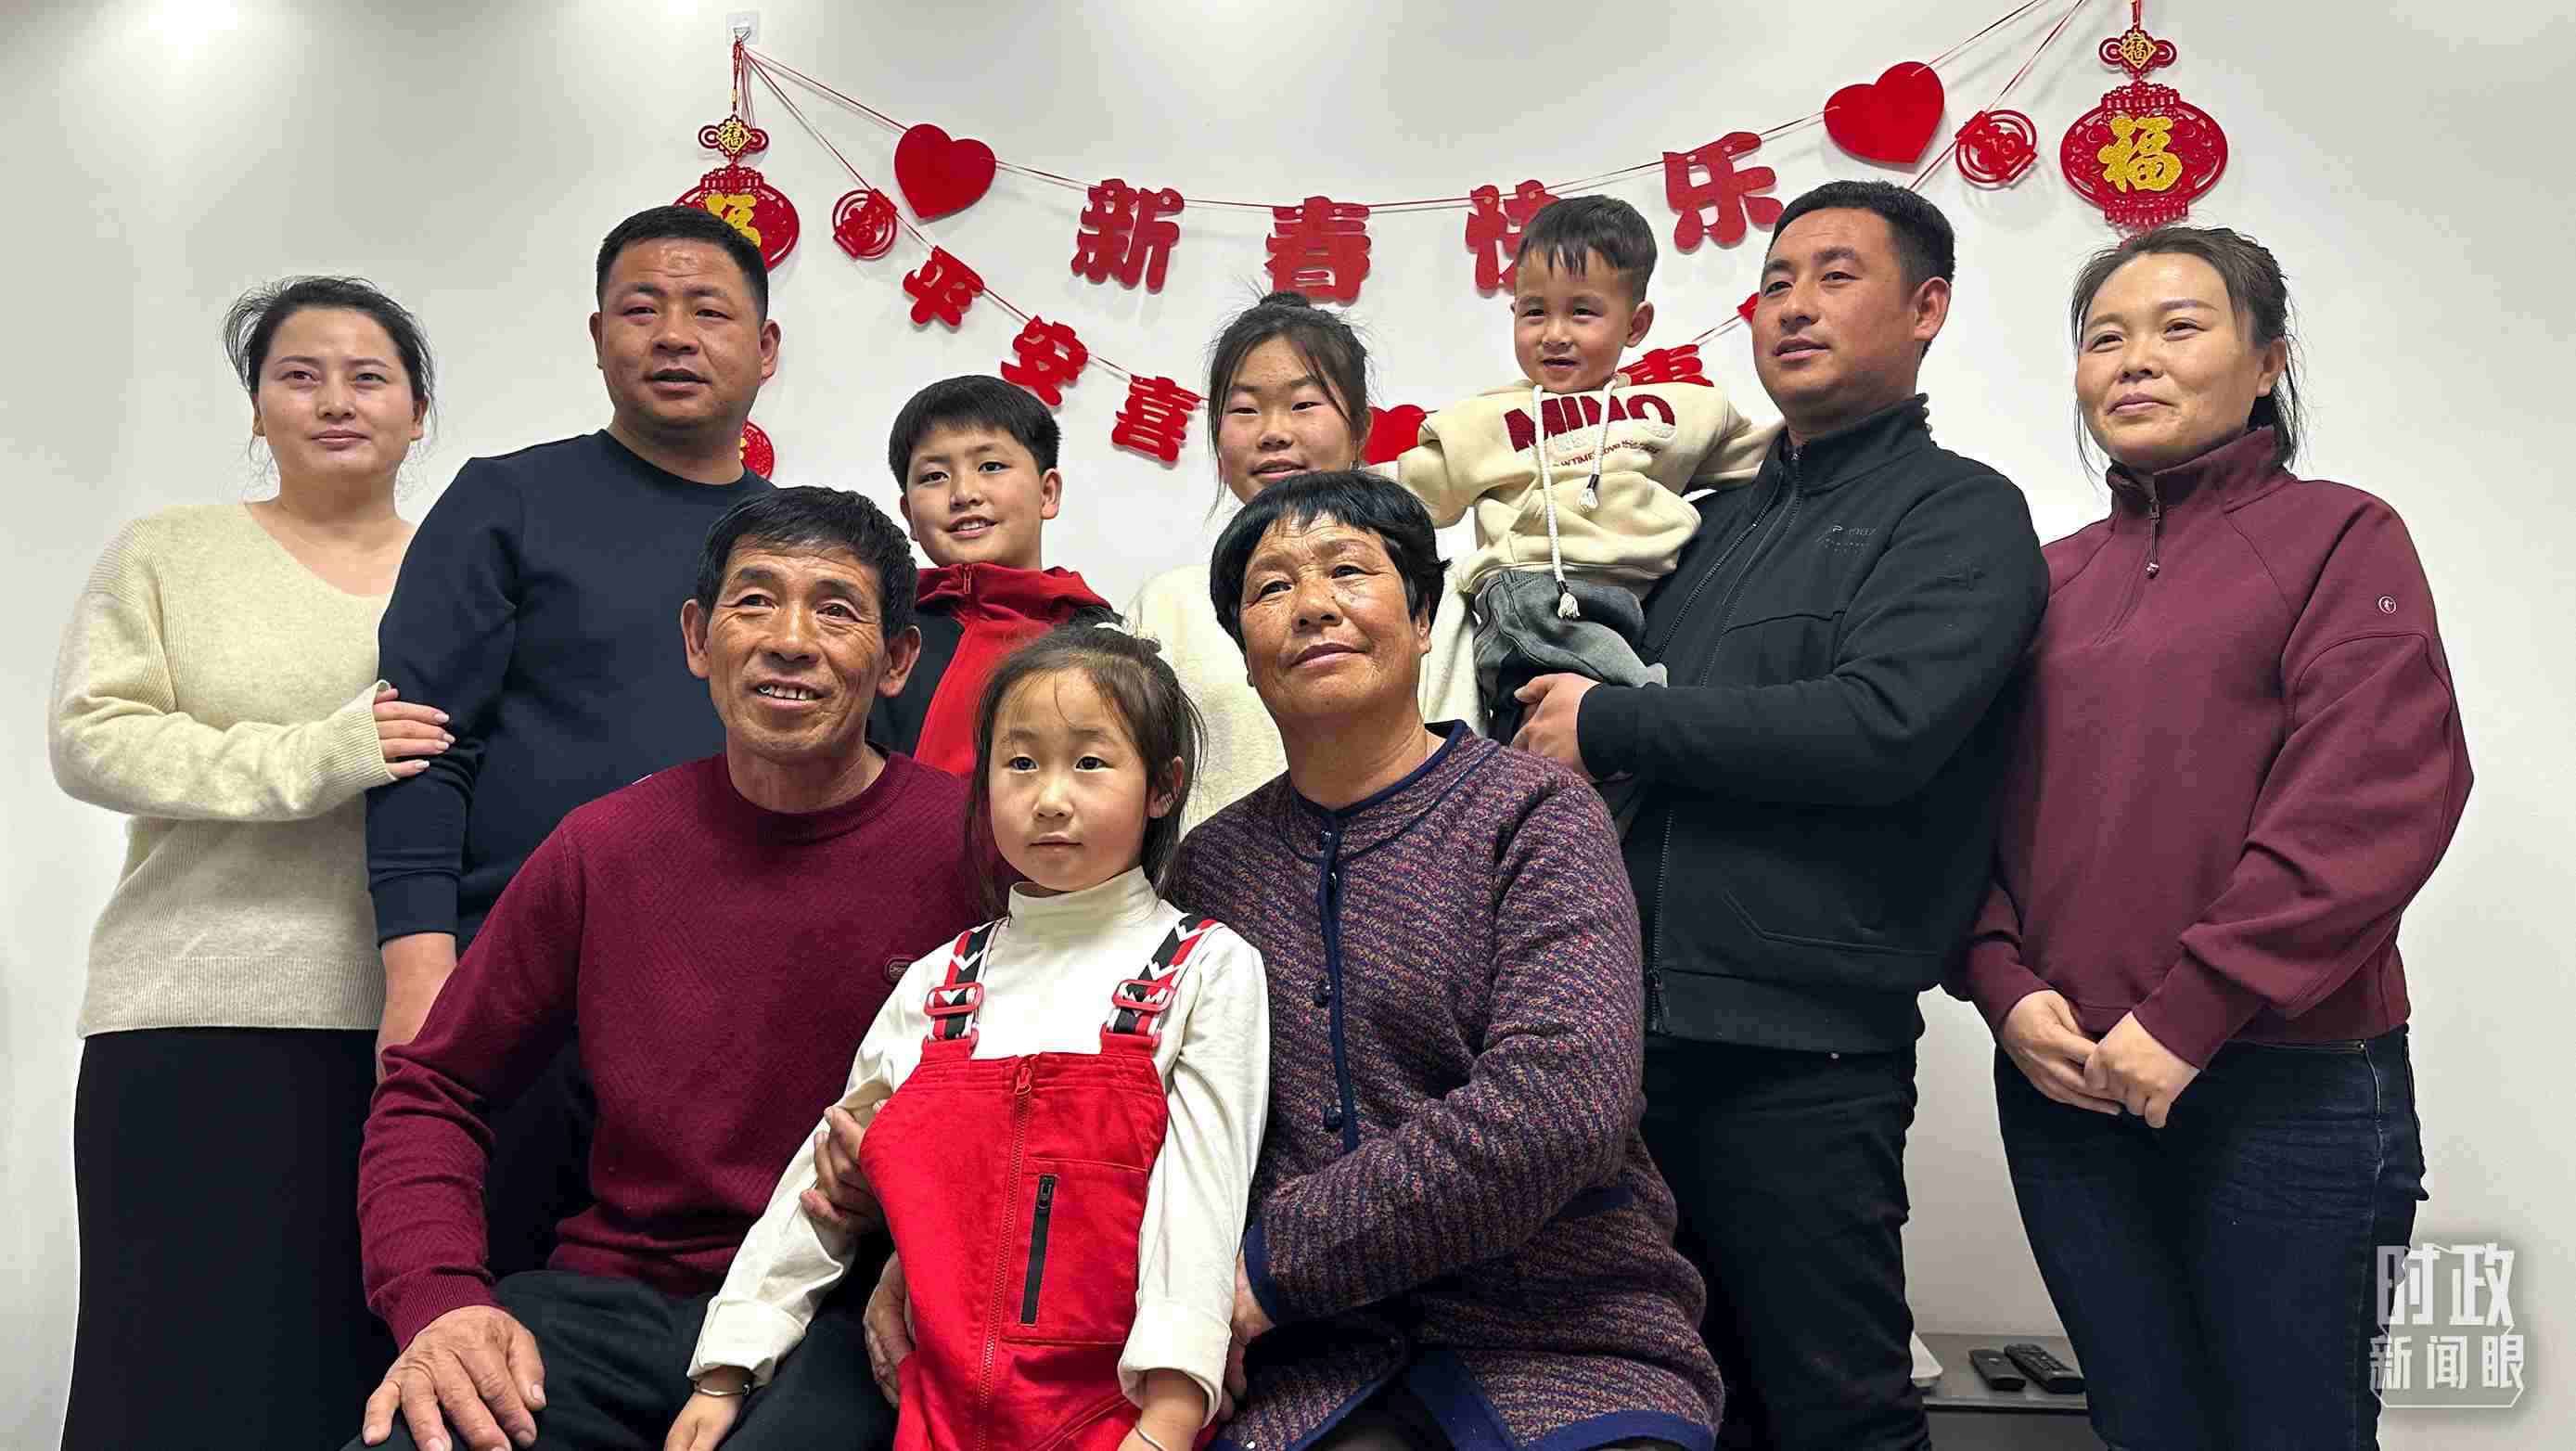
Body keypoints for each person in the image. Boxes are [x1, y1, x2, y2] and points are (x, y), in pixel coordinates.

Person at [1512, 180, 2049, 1451]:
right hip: (1622, 1050)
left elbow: (1881, 728)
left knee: (1834, 1412)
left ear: (1926, 308)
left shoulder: (1959, 513)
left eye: (1835, 276)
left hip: (1799, 1058)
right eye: (1774, 282)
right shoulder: (1702, 526)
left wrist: (1612, 722)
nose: (1793, 306)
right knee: (1662, 1404)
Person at [1949, 225, 2469, 1449]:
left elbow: (2374, 794)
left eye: (2177, 327)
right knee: (2142, 1427)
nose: (2132, 360)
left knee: (2295, 1430)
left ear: (2266, 359)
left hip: (2290, 1088)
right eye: (2103, 338)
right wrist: (1999, 985)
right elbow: (1958, 807)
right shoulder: (2041, 579)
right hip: (2065, 1086)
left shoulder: (2342, 536)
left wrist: (2190, 1012)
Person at [348, 488, 982, 1451]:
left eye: (836, 610)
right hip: (612, 1303)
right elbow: (433, 1088)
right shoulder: (604, 846)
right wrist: (439, 1301)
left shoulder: (978, 847)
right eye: (754, 601)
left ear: (897, 659)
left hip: (846, 1303)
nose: (789, 641)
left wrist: (931, 1251)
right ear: (697, 638)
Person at [675, 626, 1268, 1451]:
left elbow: (1201, 1201)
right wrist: (728, 1366)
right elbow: (817, 1189)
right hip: (935, 1410)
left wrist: (1169, 1415)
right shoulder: (941, 980)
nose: (1049, 798)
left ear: (1162, 787)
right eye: (1020, 763)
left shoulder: (1206, 967)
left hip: (1117, 1414)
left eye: (1089, 763)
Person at [47, 276, 445, 1451]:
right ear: (258, 408)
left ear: (418, 412)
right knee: (170, 1374)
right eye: (299, 376)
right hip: (191, 1016)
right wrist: (321, 754)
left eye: (368, 377)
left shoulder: (463, 568)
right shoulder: (171, 552)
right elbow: (93, 737)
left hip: (407, 1027)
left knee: (358, 1377)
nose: (336, 401)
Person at [366, 203, 779, 1275]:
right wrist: (418, 965)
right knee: (473, 1308)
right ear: (597, 337)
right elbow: (420, 743)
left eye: (708, 311)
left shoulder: (791, 547)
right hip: (519, 990)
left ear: (765, 348)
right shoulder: (505, 501)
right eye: (641, 309)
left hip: (737, 1008)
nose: (673, 335)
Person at [1395, 195, 1773, 744]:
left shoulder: (1680, 411)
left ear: (1635, 324)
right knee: (1618, 701)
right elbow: (1406, 493)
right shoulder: (1482, 422)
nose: (1554, 333)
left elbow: (1766, 455)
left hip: (1638, 600)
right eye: (1534, 312)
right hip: (1533, 591)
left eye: (1582, 312)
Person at [1124, 292, 1479, 837]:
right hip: (1216, 882)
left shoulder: (1444, 585)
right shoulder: (1163, 606)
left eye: (1304, 404)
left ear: (1360, 428)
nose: (1273, 433)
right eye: (1244, 410)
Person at [870, 376, 1118, 776]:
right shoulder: (878, 634)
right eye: (934, 476)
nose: (964, 494)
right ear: (908, 515)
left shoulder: (1104, 643)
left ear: (1048, 493)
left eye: (991, 466)